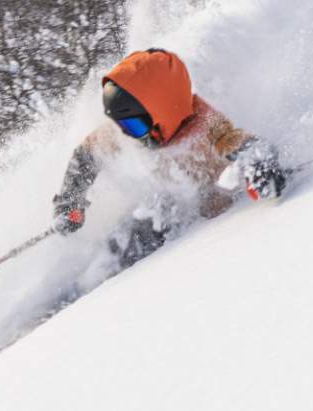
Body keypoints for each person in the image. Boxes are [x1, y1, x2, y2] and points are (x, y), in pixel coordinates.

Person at [53, 48, 285, 266]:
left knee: (156, 217)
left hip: (207, 231)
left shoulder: (204, 124)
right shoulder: (126, 133)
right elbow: (87, 155)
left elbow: (239, 142)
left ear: (159, 112)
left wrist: (261, 165)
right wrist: (70, 201)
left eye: (133, 125)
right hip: (156, 212)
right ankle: (93, 275)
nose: (125, 132)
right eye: (122, 124)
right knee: (129, 231)